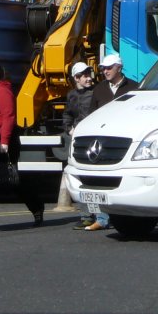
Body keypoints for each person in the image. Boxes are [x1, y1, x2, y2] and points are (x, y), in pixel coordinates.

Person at [0, 61, 44, 229]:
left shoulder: (3, 92)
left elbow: (8, 117)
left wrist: (4, 142)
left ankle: (36, 207)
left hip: (0, 142)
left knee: (11, 180)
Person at [84, 53, 136, 231]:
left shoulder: (134, 88)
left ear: (119, 67)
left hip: (125, 140)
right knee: (100, 178)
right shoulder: (99, 89)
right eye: (103, 68)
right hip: (102, 140)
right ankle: (102, 218)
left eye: (108, 67)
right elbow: (92, 113)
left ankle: (126, 216)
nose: (105, 71)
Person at [62, 61, 97, 229]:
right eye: (85, 76)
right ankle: (86, 216)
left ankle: (99, 216)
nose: (89, 78)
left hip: (93, 139)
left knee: (95, 178)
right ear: (76, 78)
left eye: (89, 74)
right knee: (80, 176)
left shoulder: (96, 92)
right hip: (79, 141)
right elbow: (68, 113)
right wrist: (69, 128)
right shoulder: (72, 95)